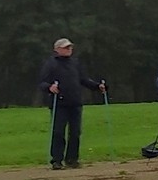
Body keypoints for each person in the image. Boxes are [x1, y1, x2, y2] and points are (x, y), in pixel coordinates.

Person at [36, 38, 106, 170]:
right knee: (58, 132)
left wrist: (97, 86)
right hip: (59, 103)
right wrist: (49, 87)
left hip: (75, 102)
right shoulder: (51, 64)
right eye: (66, 47)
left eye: (70, 47)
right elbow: (42, 83)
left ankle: (72, 159)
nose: (69, 49)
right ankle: (56, 160)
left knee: (75, 133)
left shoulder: (75, 63)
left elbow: (83, 80)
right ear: (57, 49)